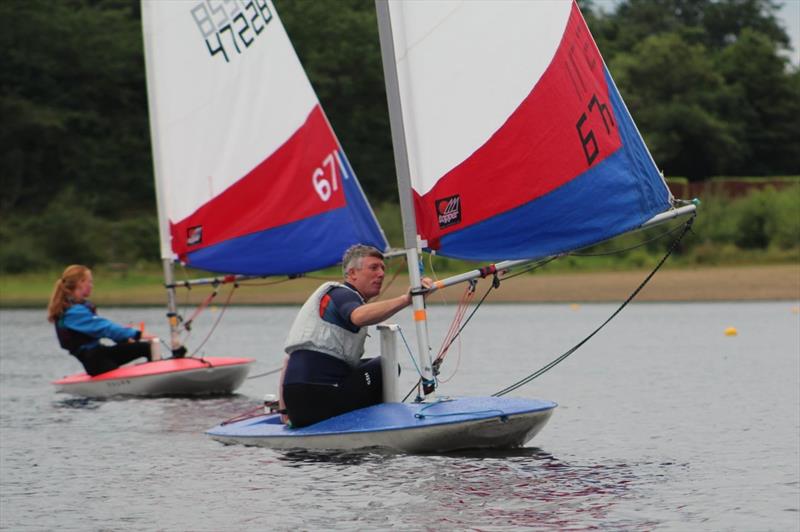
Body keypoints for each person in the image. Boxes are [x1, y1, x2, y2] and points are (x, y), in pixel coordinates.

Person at [279, 244, 431, 427]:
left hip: (297, 406)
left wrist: (285, 412)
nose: (381, 273)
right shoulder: (343, 294)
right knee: (385, 366)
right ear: (352, 274)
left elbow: (287, 362)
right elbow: (358, 316)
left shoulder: (329, 297)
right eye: (373, 268)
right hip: (321, 399)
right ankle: (380, 424)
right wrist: (407, 299)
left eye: (383, 268)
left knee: (367, 364)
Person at [47, 265, 155, 376]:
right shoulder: (73, 312)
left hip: (100, 353)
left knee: (147, 348)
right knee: (147, 348)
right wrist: (137, 334)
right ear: (80, 282)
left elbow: (102, 330)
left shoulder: (75, 308)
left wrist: (125, 339)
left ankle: (155, 373)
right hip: (95, 361)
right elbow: (104, 327)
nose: (91, 285)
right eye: (90, 282)